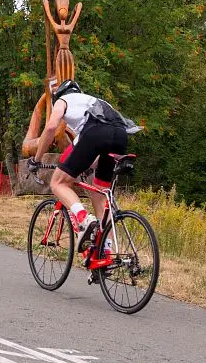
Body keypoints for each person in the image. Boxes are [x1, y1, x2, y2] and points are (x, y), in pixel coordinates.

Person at [27, 79, 141, 252]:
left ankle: (84, 219)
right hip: (120, 135)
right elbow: (102, 142)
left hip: (94, 133)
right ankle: (106, 251)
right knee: (99, 195)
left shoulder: (63, 100)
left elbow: (50, 128)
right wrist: (86, 164)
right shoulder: (96, 101)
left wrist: (37, 159)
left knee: (58, 183)